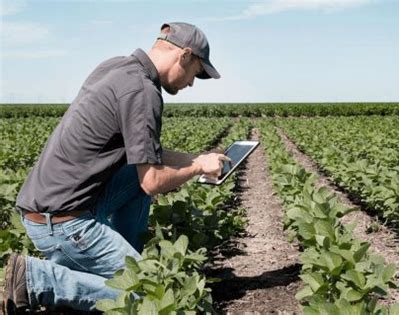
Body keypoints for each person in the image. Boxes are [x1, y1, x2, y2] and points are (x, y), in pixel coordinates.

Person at [2, 22, 230, 313]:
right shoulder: (144, 92)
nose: (191, 83)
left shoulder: (117, 68)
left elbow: (147, 158)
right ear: (184, 55)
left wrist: (194, 157)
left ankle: (116, 262)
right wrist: (198, 167)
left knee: (133, 181)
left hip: (48, 207)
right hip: (64, 223)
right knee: (148, 294)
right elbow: (152, 181)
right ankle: (38, 280)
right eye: (196, 73)